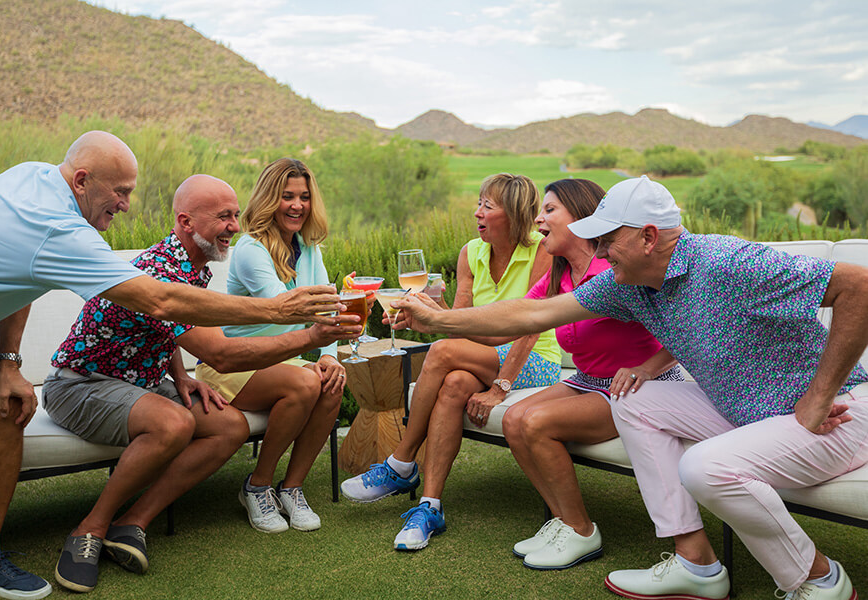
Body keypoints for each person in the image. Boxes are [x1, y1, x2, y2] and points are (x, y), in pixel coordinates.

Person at [393, 175, 868, 600]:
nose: (598, 253)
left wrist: (818, 396)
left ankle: (819, 580)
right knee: (635, 400)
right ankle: (696, 564)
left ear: (647, 236)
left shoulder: (727, 261)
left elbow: (860, 287)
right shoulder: (629, 282)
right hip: (748, 410)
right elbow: (532, 314)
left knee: (704, 466)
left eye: (606, 240)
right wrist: (436, 319)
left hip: (840, 413)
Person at [0, 132, 342, 600]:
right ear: (82, 181)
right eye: (119, 192)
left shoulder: (37, 181)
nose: (125, 205)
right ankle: (90, 530)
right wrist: (285, 316)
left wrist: (10, 363)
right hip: (77, 379)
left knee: (10, 410)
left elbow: (21, 276)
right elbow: (167, 308)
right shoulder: (67, 230)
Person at [44, 175, 361, 592]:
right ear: (186, 221)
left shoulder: (193, 267)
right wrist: (313, 337)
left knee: (230, 426)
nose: (234, 225)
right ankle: (90, 529)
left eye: (235, 215)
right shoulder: (161, 270)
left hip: (143, 381)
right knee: (174, 424)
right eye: (223, 217)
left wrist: (180, 376)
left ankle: (132, 522)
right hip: (82, 384)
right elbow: (223, 356)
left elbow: (161, 330)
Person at [340, 173, 560, 552]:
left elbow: (528, 330)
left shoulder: (543, 251)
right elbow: (460, 324)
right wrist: (429, 311)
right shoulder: (470, 252)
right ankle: (430, 506)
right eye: (478, 202)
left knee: (442, 354)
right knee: (455, 382)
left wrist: (499, 388)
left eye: (487, 206)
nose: (477, 212)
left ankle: (400, 462)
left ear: (515, 213)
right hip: (484, 353)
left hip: (536, 357)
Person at [500, 178, 681, 571]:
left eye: (549, 210)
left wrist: (647, 368)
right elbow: (514, 320)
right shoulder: (558, 277)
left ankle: (582, 531)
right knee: (513, 420)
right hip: (586, 381)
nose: (538, 218)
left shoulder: (616, 269)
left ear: (581, 216)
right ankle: (562, 521)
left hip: (633, 385)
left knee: (536, 422)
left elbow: (680, 326)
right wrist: (438, 317)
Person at [195, 158, 347, 535]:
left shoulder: (310, 249)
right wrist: (331, 314)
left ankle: (292, 487)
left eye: (304, 197)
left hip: (283, 359)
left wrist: (328, 356)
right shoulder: (250, 249)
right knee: (305, 382)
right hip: (233, 362)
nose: (298, 205)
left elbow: (325, 311)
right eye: (287, 196)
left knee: (330, 384)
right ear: (269, 199)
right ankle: (258, 485)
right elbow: (286, 309)